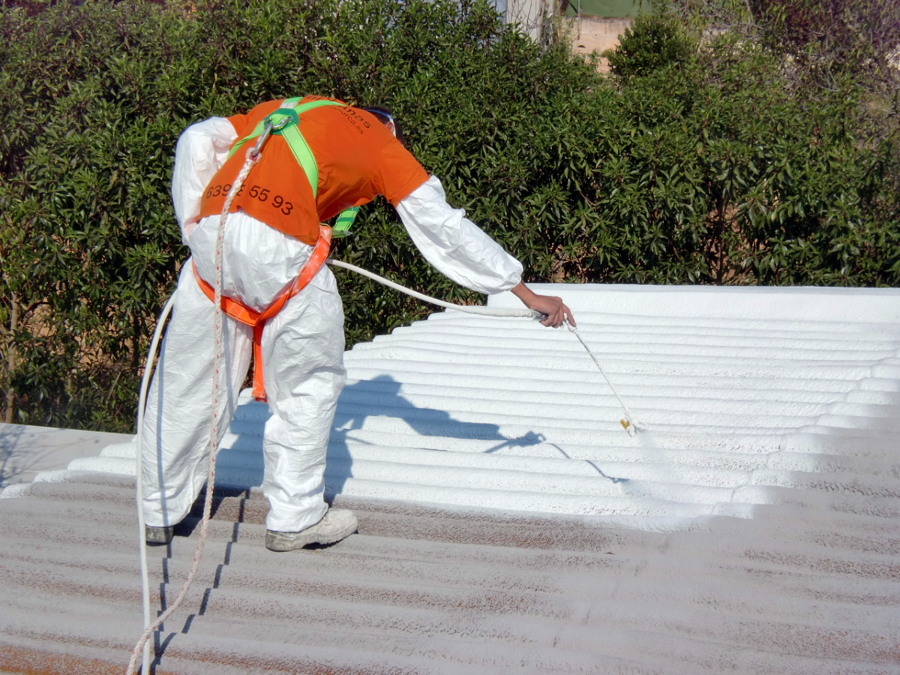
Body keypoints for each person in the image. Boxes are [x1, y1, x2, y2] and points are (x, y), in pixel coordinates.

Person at [141, 95, 575, 552]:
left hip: (212, 236)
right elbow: (444, 227)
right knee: (309, 382)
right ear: (391, 129)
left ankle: (158, 508)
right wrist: (523, 291)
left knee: (189, 379)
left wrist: (193, 226)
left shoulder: (291, 106)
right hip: (280, 250)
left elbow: (196, 139)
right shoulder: (380, 144)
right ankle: (295, 516)